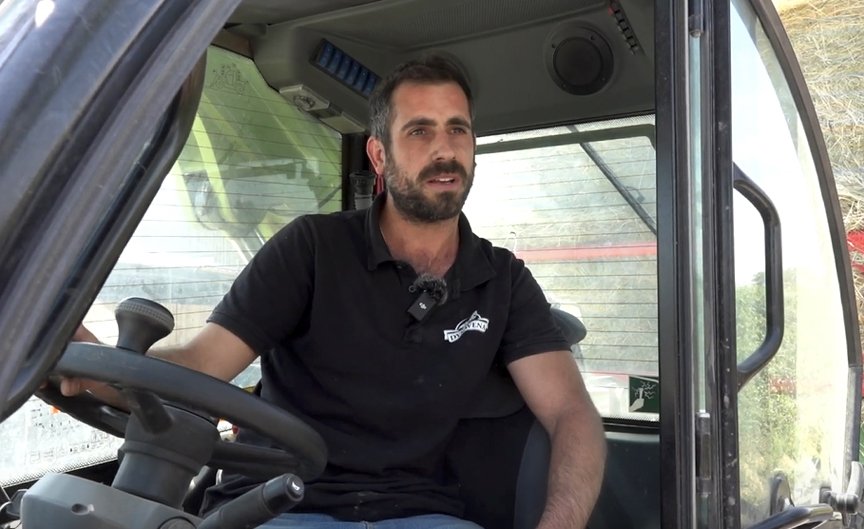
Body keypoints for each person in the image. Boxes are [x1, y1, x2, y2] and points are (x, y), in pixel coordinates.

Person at [64, 55, 605, 529]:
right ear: (378, 155)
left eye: (457, 129)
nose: (444, 150)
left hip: (421, 514)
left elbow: (570, 413)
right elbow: (200, 367)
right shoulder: (312, 249)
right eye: (419, 131)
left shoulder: (502, 279)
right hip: (281, 506)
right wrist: (98, 366)